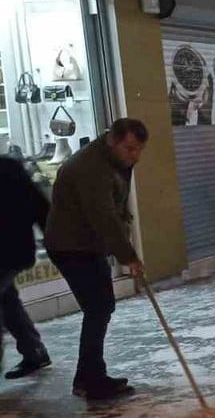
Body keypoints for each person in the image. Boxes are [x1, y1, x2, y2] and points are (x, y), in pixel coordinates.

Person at [44, 118, 148, 400]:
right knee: (99, 306)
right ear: (113, 140)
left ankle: (88, 376)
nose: (134, 156)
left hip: (86, 243)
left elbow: (115, 206)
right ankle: (91, 380)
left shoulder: (115, 160)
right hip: (70, 245)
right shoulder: (91, 168)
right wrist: (128, 256)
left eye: (139, 150)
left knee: (101, 306)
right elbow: (103, 216)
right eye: (130, 149)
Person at [0, 156, 51, 380]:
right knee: (7, 300)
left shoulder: (7, 167)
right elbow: (40, 206)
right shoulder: (9, 165)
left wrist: (55, 242)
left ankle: (34, 351)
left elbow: (39, 206)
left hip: (8, 252)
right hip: (15, 251)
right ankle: (34, 351)